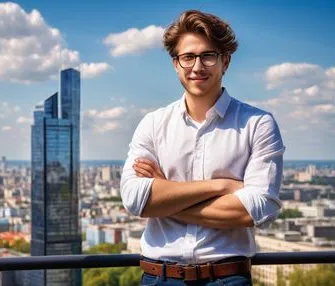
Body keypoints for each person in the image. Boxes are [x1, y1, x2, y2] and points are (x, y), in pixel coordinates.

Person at [120, 9, 285, 286]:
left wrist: (165, 196)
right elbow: (136, 200)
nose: (197, 67)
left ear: (226, 62)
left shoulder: (258, 124)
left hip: (227, 278)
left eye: (208, 56)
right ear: (176, 64)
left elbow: (256, 210)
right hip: (159, 278)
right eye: (188, 57)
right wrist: (220, 186)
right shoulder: (153, 124)